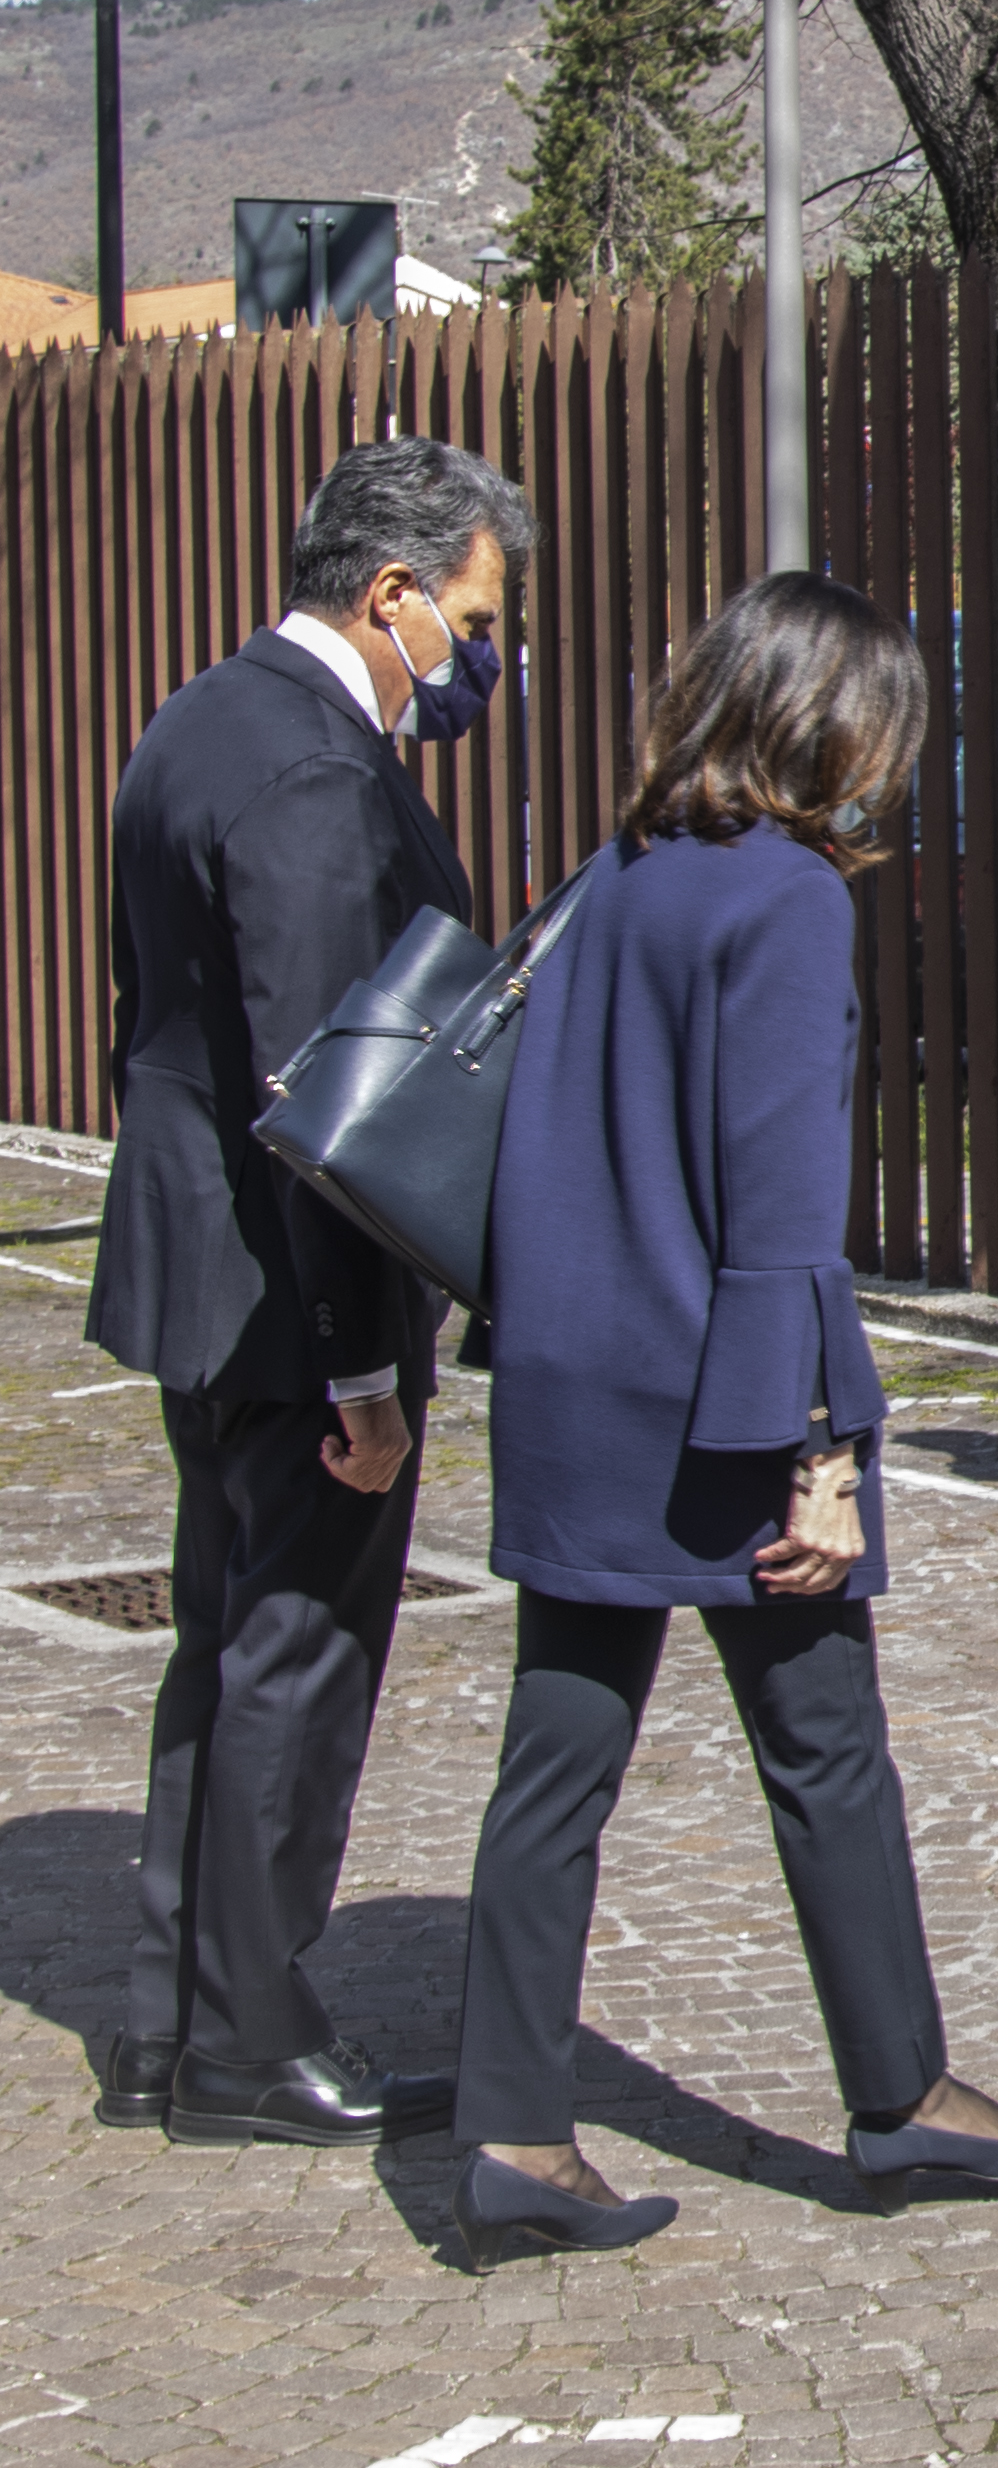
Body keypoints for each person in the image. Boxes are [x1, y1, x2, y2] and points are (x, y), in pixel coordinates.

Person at [448, 572, 998, 2259]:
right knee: (826, 1750)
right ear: (833, 726)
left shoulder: (617, 876)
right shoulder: (787, 899)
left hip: (571, 1369)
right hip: (723, 1395)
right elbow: (784, 1196)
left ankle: (511, 2120)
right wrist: (817, 1454)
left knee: (554, 1764)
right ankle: (902, 2099)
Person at [84, 430, 530, 2148]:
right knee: (298, 1653)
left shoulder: (200, 715)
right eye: (476, 615)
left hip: (201, 1271)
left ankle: (173, 2017)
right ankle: (250, 2040)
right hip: (291, 1302)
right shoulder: (316, 777)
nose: (482, 654)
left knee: (222, 1639)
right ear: (395, 590)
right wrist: (363, 1367)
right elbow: (325, 1094)